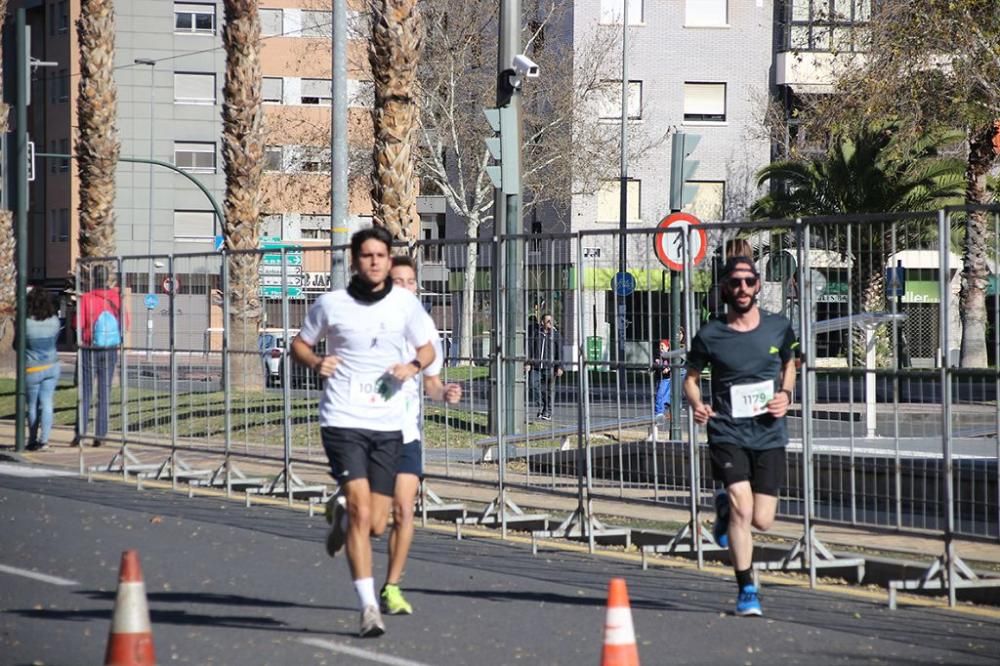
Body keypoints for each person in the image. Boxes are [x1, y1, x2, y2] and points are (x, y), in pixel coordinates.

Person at [290, 227, 437, 638]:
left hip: (388, 424)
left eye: (381, 255)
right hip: (343, 419)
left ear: (390, 260)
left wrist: (412, 366)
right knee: (360, 509)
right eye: (367, 255)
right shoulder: (330, 304)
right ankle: (369, 606)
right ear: (355, 260)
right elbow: (299, 344)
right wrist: (316, 362)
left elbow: (427, 348)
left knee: (375, 524)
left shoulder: (405, 306)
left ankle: (339, 516)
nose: (375, 262)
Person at [683, 256, 799, 617]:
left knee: (763, 519)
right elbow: (690, 376)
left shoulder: (778, 328)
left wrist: (786, 395)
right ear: (725, 288)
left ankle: (721, 508)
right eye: (735, 282)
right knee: (742, 509)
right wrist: (697, 404)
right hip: (727, 430)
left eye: (749, 281)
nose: (743, 288)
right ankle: (747, 586)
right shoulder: (711, 333)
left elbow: (790, 364)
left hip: (768, 433)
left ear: (758, 285)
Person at [381, 256, 462, 616]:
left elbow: (430, 381)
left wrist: (443, 393)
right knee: (371, 521)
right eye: (396, 280)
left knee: (403, 510)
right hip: (368, 430)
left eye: (409, 281)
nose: (404, 286)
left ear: (416, 286)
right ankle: (347, 513)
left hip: (406, 432)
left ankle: (391, 586)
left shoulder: (425, 328)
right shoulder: (371, 321)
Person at [76, 264, 128, 447]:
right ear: (107, 278)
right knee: (104, 392)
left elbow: (78, 324)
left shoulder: (87, 298)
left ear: (92, 279)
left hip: (90, 348)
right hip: (110, 349)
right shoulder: (116, 298)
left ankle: (81, 432)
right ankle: (101, 434)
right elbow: (125, 324)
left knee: (86, 391)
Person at [23, 287, 62, 451]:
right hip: (52, 366)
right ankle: (44, 440)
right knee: (47, 402)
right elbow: (56, 339)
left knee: (32, 405)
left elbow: (17, 345)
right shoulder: (54, 321)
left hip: (32, 368)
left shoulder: (26, 322)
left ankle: (32, 439)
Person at [525, 313, 562, 421]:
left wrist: (559, 367)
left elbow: (559, 352)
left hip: (549, 367)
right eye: (548, 321)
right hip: (536, 367)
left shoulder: (556, 335)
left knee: (549, 390)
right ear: (542, 322)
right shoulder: (536, 334)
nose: (550, 323)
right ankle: (540, 406)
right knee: (533, 385)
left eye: (551, 321)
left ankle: (547, 411)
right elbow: (530, 349)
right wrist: (527, 363)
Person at [653, 327, 685, 423]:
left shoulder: (683, 346)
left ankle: (674, 412)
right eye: (676, 333)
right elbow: (660, 357)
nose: (678, 335)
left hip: (680, 373)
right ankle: (660, 414)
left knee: (675, 394)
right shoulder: (667, 345)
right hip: (667, 376)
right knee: (662, 394)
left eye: (680, 333)